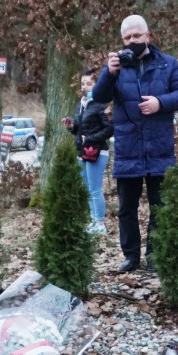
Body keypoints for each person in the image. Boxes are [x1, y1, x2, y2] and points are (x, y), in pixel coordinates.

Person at [92, 14, 178, 273]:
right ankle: (131, 256)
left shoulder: (167, 64)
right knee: (127, 208)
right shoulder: (116, 68)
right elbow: (98, 97)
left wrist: (160, 103)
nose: (132, 40)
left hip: (160, 148)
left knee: (160, 207)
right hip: (128, 150)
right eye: (127, 38)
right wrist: (108, 72)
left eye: (137, 35)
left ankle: (155, 256)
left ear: (147, 36)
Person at [63, 69, 114, 234]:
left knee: (95, 188)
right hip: (82, 152)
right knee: (86, 189)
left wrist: (90, 138)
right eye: (83, 83)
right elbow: (81, 130)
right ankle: (93, 221)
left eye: (89, 83)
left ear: (98, 85)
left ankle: (100, 224)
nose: (85, 87)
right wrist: (72, 128)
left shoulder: (101, 104)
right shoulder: (81, 104)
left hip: (98, 152)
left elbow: (109, 130)